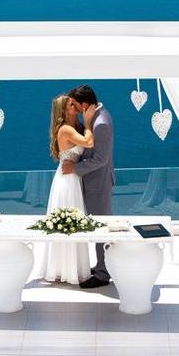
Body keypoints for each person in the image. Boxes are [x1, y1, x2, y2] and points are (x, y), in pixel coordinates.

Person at [62, 85, 115, 289]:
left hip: (98, 183)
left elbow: (101, 159)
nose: (73, 108)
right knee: (98, 225)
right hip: (94, 181)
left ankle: (103, 274)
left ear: (84, 105)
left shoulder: (101, 123)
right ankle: (103, 265)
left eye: (75, 105)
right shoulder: (96, 117)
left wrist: (75, 168)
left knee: (101, 227)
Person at [42, 94, 98, 284]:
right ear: (64, 111)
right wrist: (89, 121)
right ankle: (63, 269)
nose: (75, 105)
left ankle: (72, 267)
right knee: (68, 222)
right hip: (66, 182)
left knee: (75, 223)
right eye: (71, 104)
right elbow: (89, 142)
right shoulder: (65, 130)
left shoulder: (76, 127)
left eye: (74, 103)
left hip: (73, 178)